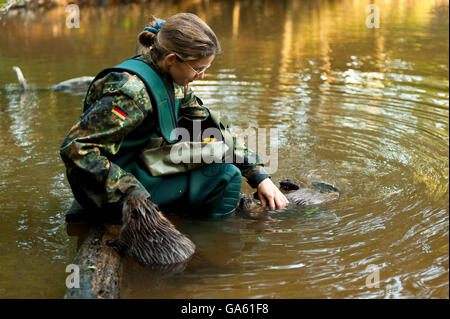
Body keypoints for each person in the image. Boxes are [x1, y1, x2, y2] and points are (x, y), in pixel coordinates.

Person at [60, 13, 288, 223]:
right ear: (171, 59)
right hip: (108, 188)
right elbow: (77, 148)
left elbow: (211, 127)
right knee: (225, 178)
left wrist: (259, 176)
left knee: (221, 157)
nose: (202, 76)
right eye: (198, 69)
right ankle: (209, 252)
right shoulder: (130, 93)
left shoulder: (174, 82)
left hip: (135, 165)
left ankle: (187, 219)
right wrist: (134, 194)